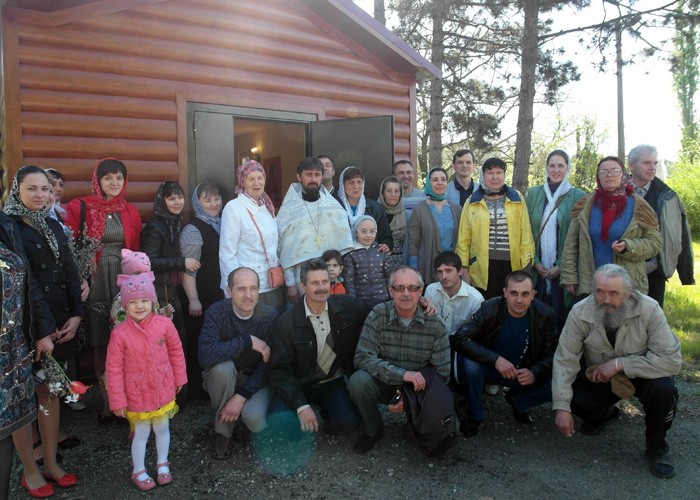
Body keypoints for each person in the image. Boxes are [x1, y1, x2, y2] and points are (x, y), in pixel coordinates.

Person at [553, 264, 681, 479]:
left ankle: (657, 449)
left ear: (628, 293)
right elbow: (565, 360)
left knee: (663, 390)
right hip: (600, 376)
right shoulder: (580, 311)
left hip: (642, 374)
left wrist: (620, 364)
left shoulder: (649, 309)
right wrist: (561, 407)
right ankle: (606, 415)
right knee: (573, 396)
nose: (605, 299)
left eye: (614, 293)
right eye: (600, 292)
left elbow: (671, 360)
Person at [5, 166, 83, 493]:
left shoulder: (51, 224)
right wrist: (41, 331)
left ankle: (50, 462)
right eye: (32, 189)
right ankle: (29, 469)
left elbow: (70, 269)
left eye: (45, 189)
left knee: (48, 392)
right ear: (16, 191)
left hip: (58, 320)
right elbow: (26, 282)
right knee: (22, 399)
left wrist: (77, 314)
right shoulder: (7, 227)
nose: (40, 195)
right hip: (25, 326)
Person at [65, 157, 142, 424]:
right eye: (108, 177)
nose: (114, 182)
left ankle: (130, 399)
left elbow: (136, 250)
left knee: (128, 340)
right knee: (102, 342)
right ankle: (109, 403)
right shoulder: (80, 207)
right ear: (97, 180)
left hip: (124, 282)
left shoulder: (130, 210)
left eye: (119, 177)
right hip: (95, 280)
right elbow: (70, 248)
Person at [348, 267, 454, 455]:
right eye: (399, 288)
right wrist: (403, 375)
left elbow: (442, 374)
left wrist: (410, 398)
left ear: (420, 291)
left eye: (413, 288)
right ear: (390, 291)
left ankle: (415, 424)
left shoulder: (435, 324)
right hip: (384, 381)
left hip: (419, 388)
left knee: (450, 432)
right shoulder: (378, 314)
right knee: (358, 381)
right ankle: (373, 430)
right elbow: (362, 357)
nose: (406, 294)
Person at [267, 258, 370, 439]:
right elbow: (279, 370)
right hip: (299, 382)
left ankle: (326, 411)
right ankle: (305, 409)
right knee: (280, 426)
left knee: (349, 424)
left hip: (331, 381)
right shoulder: (286, 323)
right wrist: (301, 405)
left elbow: (376, 308)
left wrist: (418, 302)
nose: (322, 287)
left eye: (325, 281)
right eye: (315, 283)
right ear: (303, 286)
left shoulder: (346, 306)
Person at [106, 272, 187, 491]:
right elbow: (113, 369)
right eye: (132, 302)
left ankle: (162, 464)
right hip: (137, 393)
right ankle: (138, 470)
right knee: (140, 433)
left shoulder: (164, 325)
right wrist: (117, 400)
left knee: (162, 428)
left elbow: (176, 352)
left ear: (153, 301)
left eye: (144, 300)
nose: (139, 306)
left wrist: (180, 377)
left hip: (163, 388)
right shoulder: (120, 334)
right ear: (125, 305)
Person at [450, 271, 557, 436]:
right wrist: (495, 360)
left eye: (525, 294)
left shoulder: (546, 315)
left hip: (523, 372)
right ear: (505, 292)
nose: (519, 300)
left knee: (560, 380)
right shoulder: (490, 308)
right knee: (469, 364)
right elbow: (460, 338)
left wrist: (535, 372)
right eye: (514, 293)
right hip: (491, 369)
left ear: (533, 295)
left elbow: (552, 354)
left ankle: (519, 400)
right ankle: (476, 414)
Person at [1, 211, 57, 498]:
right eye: (31, 188)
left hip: (16, 337)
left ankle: (39, 466)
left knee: (20, 404)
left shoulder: (8, 226)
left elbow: (29, 282)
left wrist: (43, 330)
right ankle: (30, 469)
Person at [199, 267, 279, 459]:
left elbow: (268, 366)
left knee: (254, 418)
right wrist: (247, 341)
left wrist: (241, 396)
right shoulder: (217, 312)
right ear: (229, 291)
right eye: (241, 289)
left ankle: (242, 417)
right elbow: (205, 356)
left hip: (255, 380)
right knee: (221, 370)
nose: (248, 295)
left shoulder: (269, 316)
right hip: (227, 377)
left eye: (253, 288)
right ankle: (224, 432)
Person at [561, 156, 662, 297]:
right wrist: (569, 276)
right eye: (603, 172)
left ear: (623, 175)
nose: (609, 175)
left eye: (615, 170)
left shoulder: (639, 206)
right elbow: (571, 244)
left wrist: (629, 246)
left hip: (627, 287)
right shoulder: (585, 204)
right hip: (592, 285)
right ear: (598, 177)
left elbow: (655, 242)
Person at [276, 156, 353, 303]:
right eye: (308, 174)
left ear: (322, 176)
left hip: (329, 278)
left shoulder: (334, 208)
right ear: (299, 176)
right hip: (301, 278)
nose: (313, 179)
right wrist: (291, 284)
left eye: (317, 174)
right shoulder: (288, 212)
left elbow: (342, 250)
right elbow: (286, 251)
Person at [456, 157, 535, 299]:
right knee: (486, 308)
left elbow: (526, 234)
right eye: (490, 173)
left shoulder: (516, 198)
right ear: (483, 175)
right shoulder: (472, 201)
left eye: (499, 172)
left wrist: (526, 267)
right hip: (482, 267)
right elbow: (463, 239)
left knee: (510, 305)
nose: (495, 177)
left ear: (504, 175)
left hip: (512, 265)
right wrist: (464, 269)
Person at [628, 144, 695, 307]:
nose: (652, 168)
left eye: (655, 163)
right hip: (622, 267)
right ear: (631, 165)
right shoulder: (616, 191)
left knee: (652, 320)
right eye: (646, 163)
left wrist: (686, 274)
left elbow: (682, 235)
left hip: (655, 270)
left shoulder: (668, 197)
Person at [525, 150, 585, 329]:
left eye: (561, 165)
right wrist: (535, 262)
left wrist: (561, 265)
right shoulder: (534, 194)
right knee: (535, 318)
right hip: (538, 271)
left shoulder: (578, 196)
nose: (556, 170)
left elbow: (580, 235)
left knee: (562, 320)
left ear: (568, 168)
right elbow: (525, 231)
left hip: (564, 271)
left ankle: (559, 356)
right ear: (546, 168)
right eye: (552, 165)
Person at [141, 181, 198, 360]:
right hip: (160, 292)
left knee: (176, 343)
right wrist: (182, 263)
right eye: (171, 198)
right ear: (162, 201)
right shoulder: (155, 227)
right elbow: (148, 262)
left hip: (172, 290)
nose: (177, 202)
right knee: (163, 344)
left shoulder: (176, 223)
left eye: (180, 197)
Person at [220, 161, 285, 312]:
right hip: (248, 288)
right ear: (242, 181)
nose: (257, 183)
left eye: (260, 178)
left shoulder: (267, 206)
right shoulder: (233, 208)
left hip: (273, 283)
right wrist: (231, 289)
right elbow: (227, 253)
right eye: (251, 179)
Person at [181, 182, 225, 398]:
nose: (213, 204)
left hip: (217, 294)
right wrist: (194, 299)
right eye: (207, 200)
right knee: (200, 340)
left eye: (216, 198)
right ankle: (198, 391)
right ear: (197, 203)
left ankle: (215, 386)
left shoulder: (220, 223)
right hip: (201, 296)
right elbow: (188, 270)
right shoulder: (193, 229)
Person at [408, 167, 461, 285]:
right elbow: (413, 241)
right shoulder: (419, 209)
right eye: (435, 180)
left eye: (443, 179)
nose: (439, 183)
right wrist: (413, 268)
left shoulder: (456, 209)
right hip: (427, 266)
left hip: (451, 267)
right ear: (428, 183)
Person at [334, 166, 392, 252]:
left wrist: (386, 245)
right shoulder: (335, 208)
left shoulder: (376, 209)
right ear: (343, 185)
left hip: (370, 258)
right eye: (351, 182)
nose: (356, 186)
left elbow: (386, 238)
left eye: (359, 182)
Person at [424, 251, 483, 335]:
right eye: (440, 272)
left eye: (448, 271)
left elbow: (479, 333)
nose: (444, 276)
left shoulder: (475, 299)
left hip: (462, 344)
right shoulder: (430, 290)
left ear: (460, 271)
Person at [342, 215, 391, 309]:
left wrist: (391, 298)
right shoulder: (350, 254)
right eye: (363, 231)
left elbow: (390, 278)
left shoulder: (382, 251)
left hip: (383, 301)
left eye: (372, 231)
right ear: (356, 232)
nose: (368, 235)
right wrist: (354, 302)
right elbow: (349, 282)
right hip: (361, 303)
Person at [377, 176, 408, 269]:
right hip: (378, 265)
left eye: (396, 191)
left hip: (402, 265)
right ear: (383, 193)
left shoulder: (408, 216)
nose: (393, 194)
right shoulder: (375, 213)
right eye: (389, 191)